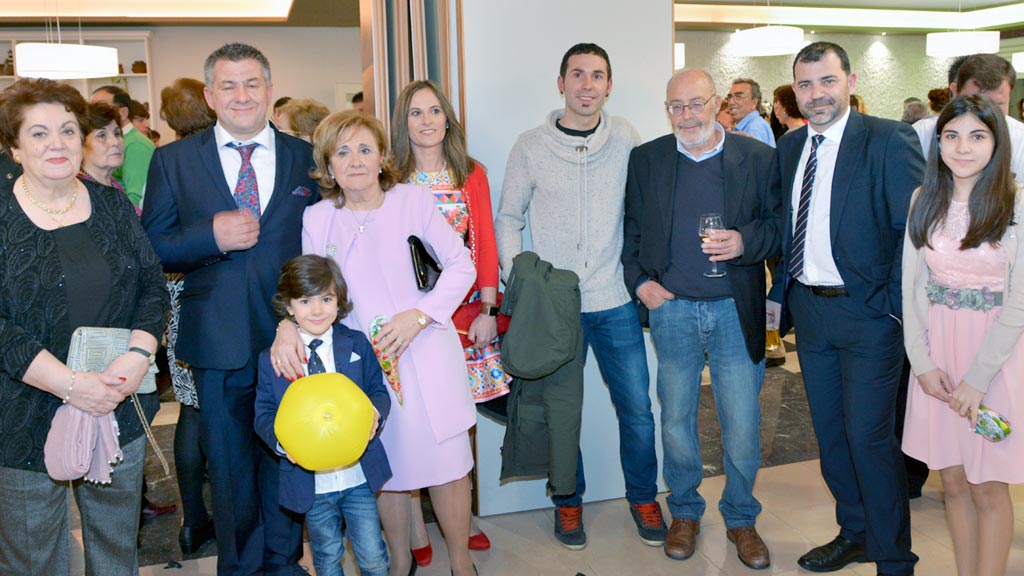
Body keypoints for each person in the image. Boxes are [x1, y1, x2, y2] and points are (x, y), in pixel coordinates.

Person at [142, 43, 319, 575]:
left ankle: (283, 563)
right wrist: (210, 237)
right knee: (229, 467)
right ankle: (239, 568)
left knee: (288, 456)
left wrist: (299, 319)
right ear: (209, 95)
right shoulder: (173, 160)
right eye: (228, 85)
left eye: (251, 83)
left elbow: (322, 249)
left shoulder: (305, 157)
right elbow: (153, 247)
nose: (241, 95)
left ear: (269, 89)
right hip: (216, 339)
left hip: (290, 337)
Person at [278, 109, 477, 576]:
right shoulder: (318, 218)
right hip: (365, 365)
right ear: (328, 166)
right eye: (342, 152)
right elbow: (308, 290)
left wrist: (420, 315)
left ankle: (461, 563)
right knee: (387, 465)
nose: (355, 160)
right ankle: (398, 562)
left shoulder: (413, 201)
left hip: (426, 349)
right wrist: (286, 325)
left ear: (383, 156)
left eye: (365, 149)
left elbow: (461, 265)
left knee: (448, 464)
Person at [495, 42, 664, 551]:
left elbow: (644, 212)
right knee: (560, 414)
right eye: (577, 74)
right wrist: (520, 280)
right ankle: (567, 501)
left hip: (614, 301)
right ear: (561, 83)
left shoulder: (627, 137)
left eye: (597, 75)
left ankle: (644, 498)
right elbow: (508, 218)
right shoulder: (530, 145)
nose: (587, 85)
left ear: (609, 85)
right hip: (555, 309)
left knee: (637, 410)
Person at [0, 77, 169, 575]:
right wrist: (72, 386)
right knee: (34, 559)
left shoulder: (112, 204)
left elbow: (152, 286)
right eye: (39, 133)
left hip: (117, 401)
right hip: (23, 414)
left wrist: (138, 357)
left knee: (117, 550)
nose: (57, 143)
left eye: (68, 130)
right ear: (14, 148)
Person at [773, 41, 924, 575]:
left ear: (851, 82)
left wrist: (892, 309)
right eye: (805, 84)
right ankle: (855, 533)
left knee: (869, 438)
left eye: (827, 81)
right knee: (833, 437)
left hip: (870, 316)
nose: (816, 94)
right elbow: (784, 226)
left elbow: (914, 232)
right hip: (811, 315)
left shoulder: (887, 139)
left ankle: (894, 558)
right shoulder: (791, 147)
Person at [622, 67, 779, 569]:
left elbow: (778, 227)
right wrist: (639, 282)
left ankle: (741, 518)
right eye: (676, 106)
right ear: (666, 110)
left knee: (742, 422)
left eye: (696, 104)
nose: (686, 115)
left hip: (736, 310)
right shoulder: (647, 159)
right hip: (673, 310)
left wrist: (744, 242)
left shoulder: (758, 158)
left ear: (717, 104)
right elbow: (629, 230)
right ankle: (685, 512)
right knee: (675, 420)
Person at [902, 94, 1024, 576]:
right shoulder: (923, 198)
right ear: (938, 143)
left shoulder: (1016, 203)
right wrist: (921, 363)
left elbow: (1019, 302)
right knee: (951, 480)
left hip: (995, 358)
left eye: (977, 136)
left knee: (987, 484)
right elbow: (911, 286)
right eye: (951, 136)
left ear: (997, 142)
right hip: (938, 355)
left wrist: (977, 379)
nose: (963, 148)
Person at [391, 79, 501, 565]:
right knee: (410, 418)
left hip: (462, 315)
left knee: (459, 421)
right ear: (403, 122)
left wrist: (489, 310)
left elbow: (486, 244)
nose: (427, 121)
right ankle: (416, 522)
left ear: (448, 118)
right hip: (407, 319)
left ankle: (465, 517)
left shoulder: (469, 172)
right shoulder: (389, 176)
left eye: (435, 111)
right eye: (416, 112)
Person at [256, 255, 392, 576]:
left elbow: (377, 390)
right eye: (305, 301)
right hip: (311, 483)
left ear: (338, 301)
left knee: (373, 556)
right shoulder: (275, 357)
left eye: (326, 299)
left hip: (357, 476)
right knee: (328, 558)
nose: (317, 310)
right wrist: (283, 444)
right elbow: (264, 413)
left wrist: (374, 413)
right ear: (289, 307)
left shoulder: (356, 343)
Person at [156, 75, 219, 555]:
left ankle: (192, 520)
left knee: (189, 412)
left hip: (176, 301)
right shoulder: (208, 160)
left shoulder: (166, 161)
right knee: (216, 409)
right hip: (207, 295)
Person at [914, 54, 1024, 181]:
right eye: (975, 104)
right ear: (955, 92)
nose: (986, 115)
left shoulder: (1021, 139)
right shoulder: (921, 135)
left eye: (997, 105)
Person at [90, 85, 154, 210]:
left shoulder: (136, 145)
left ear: (123, 113)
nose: (92, 114)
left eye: (102, 107)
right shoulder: (122, 141)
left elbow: (137, 199)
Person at [727, 78, 775, 147]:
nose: (731, 102)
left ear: (754, 102)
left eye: (739, 96)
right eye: (729, 97)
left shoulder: (754, 128)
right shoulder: (751, 125)